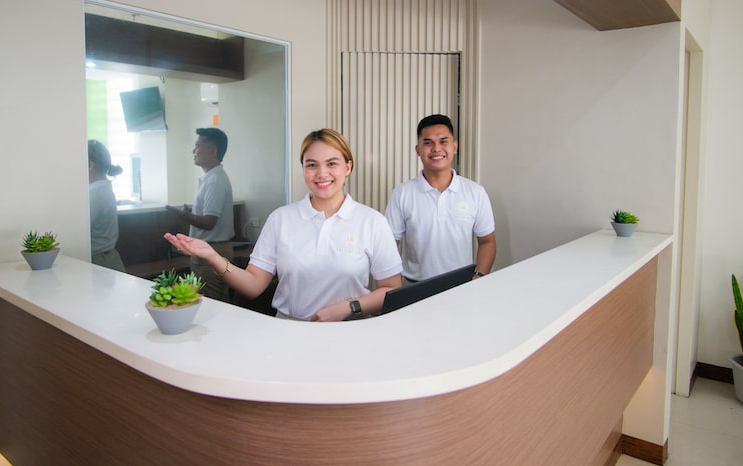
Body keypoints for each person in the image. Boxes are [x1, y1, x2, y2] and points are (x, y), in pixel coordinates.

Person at [165, 129, 401, 321]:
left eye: (332, 163)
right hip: (288, 331)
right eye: (311, 165)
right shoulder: (281, 219)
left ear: (347, 167)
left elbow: (391, 289)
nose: (322, 173)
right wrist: (213, 257)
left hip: (349, 332)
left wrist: (351, 306)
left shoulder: (372, 222)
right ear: (303, 168)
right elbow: (254, 285)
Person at [385, 114, 496, 282]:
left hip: (463, 285)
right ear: (418, 150)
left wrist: (478, 277)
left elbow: (487, 241)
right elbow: (388, 246)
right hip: (414, 287)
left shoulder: (475, 192)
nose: (436, 148)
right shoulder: (402, 194)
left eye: (443, 141)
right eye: (428, 143)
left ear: (454, 146)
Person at [166, 127, 234, 302]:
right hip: (211, 250)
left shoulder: (215, 180)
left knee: (213, 304)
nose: (193, 151)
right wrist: (190, 213)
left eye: (197, 146)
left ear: (212, 151)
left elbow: (209, 222)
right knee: (217, 301)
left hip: (212, 251)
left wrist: (180, 215)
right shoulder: (212, 178)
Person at [88, 139, 127, 272]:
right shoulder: (103, 188)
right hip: (107, 258)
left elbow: (80, 230)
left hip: (100, 260)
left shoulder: (95, 191)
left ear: (90, 165)